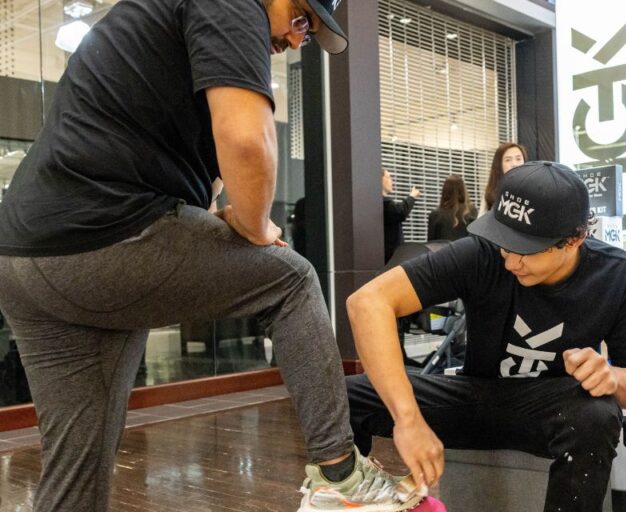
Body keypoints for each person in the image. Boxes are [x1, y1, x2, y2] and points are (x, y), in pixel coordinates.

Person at [0, 0, 422, 510]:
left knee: (75, 475)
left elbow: (207, 178)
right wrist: (253, 223)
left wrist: (220, 213)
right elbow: (247, 141)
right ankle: (341, 478)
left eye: (306, 33)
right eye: (300, 17)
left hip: (22, 257)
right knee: (290, 280)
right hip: (105, 233)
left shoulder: (179, 37)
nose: (293, 39)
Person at [345, 161, 626, 512]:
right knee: (343, 396)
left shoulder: (619, 274)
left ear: (574, 239)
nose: (510, 261)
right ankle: (347, 495)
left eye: (524, 249)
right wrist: (408, 419)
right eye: (504, 243)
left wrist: (612, 377)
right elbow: (367, 303)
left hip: (552, 412)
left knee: (597, 413)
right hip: (475, 397)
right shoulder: (483, 253)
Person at [383, 168, 421, 264]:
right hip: (390, 256)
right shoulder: (384, 203)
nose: (392, 181)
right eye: (389, 177)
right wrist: (412, 197)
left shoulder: (382, 202)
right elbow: (400, 212)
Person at [427, 174, 478, 241]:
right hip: (467, 251)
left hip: (445, 251)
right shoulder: (472, 212)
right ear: (463, 190)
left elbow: (431, 245)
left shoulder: (436, 215)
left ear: (444, 191)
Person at [482, 142, 526, 211]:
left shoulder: (532, 190)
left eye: (518, 159)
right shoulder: (491, 193)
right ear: (499, 165)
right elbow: (481, 220)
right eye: (508, 160)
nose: (514, 164)